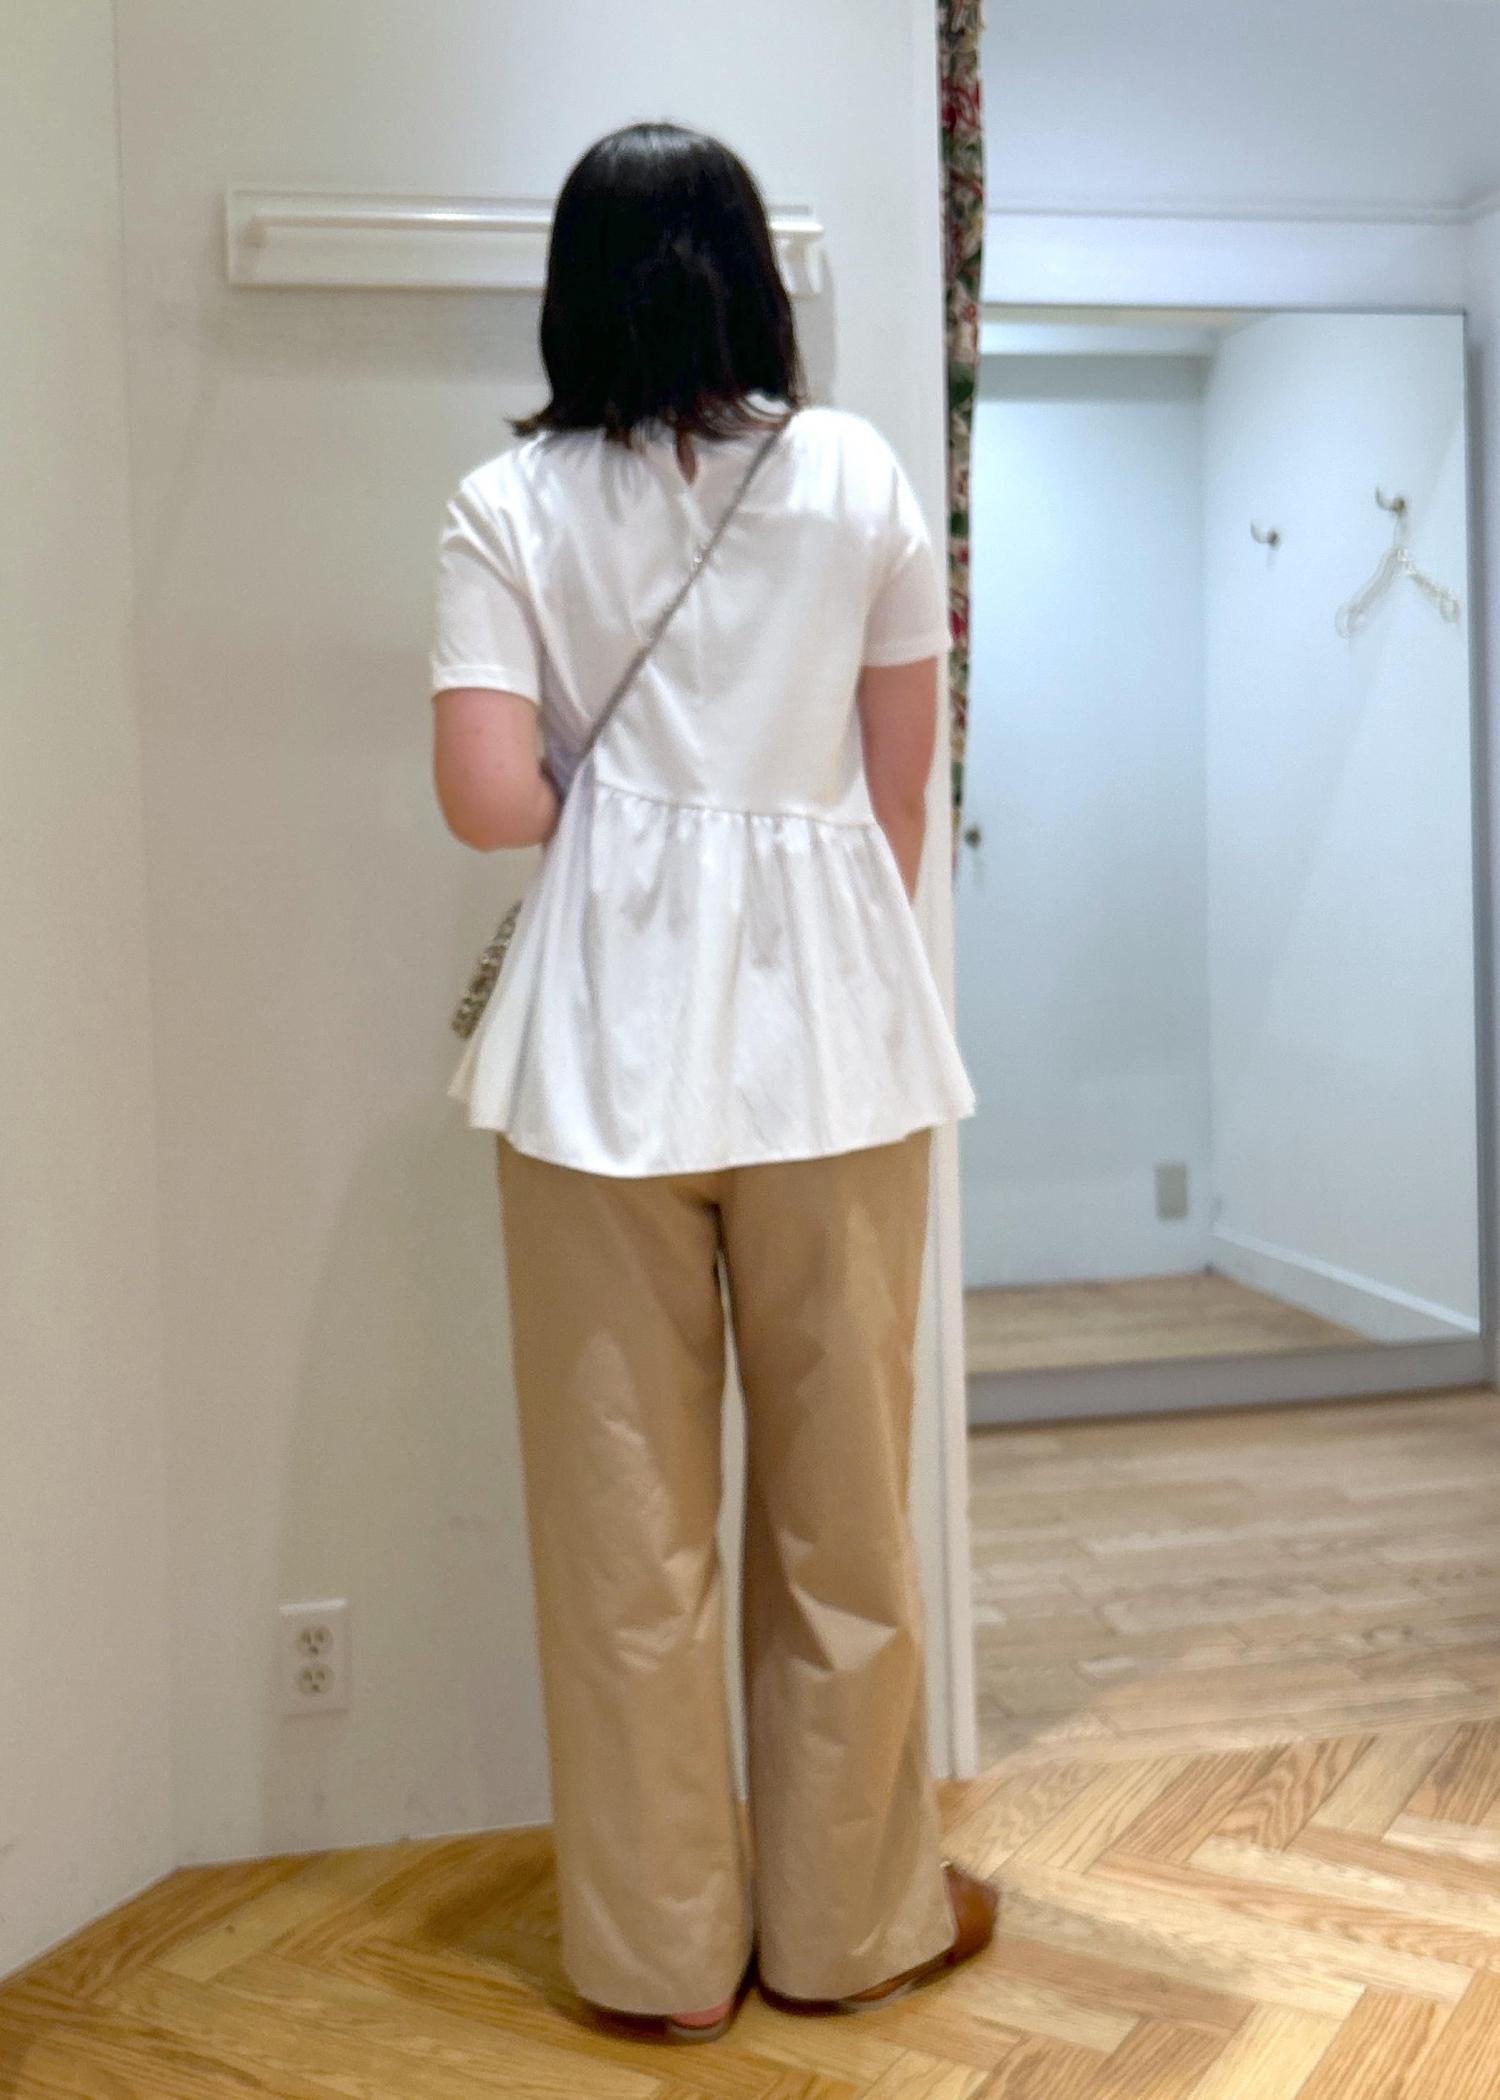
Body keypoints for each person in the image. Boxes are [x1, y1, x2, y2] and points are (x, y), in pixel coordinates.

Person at [428, 118, 996, 2044]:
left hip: (598, 1064)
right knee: (848, 1515)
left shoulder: (505, 505)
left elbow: (484, 798)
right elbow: (900, 793)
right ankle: (851, 1929)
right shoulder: (859, 475)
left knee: (626, 1531)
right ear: (755, 279)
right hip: (834, 1048)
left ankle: (661, 1962)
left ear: (575, 293)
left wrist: (623, 831)